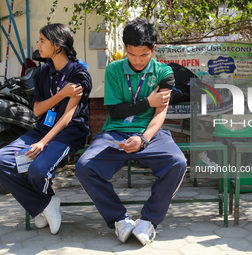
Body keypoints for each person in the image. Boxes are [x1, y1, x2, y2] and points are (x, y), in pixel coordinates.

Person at [75, 17, 187, 245]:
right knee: (84, 166)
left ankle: (149, 221)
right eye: (132, 54)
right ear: (125, 48)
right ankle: (119, 219)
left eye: (144, 55)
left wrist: (143, 139)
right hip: (115, 133)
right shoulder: (114, 70)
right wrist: (148, 101)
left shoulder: (164, 72)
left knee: (177, 162)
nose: (137, 60)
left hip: (151, 133)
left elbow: (160, 113)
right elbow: (115, 112)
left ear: (153, 50)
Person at [0, 23, 92, 234]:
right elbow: (38, 110)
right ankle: (44, 204)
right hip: (44, 128)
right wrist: (61, 94)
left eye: (42, 41)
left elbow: (68, 117)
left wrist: (43, 143)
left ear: (57, 46)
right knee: (2, 159)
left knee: (37, 170)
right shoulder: (42, 72)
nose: (38, 45)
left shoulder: (79, 74)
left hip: (70, 132)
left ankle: (41, 206)